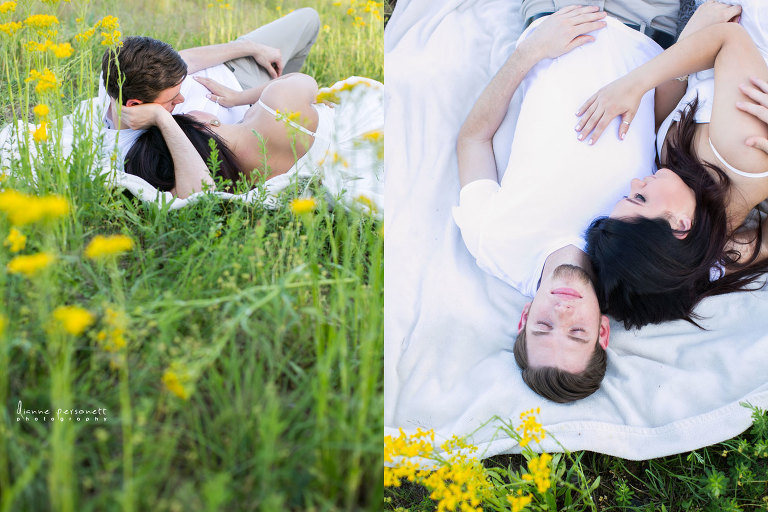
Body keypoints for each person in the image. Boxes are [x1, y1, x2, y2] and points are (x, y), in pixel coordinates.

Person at [453, 6, 664, 402]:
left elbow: (472, 140)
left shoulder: (493, 244)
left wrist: (529, 52)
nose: (561, 315)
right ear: (602, 330)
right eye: (577, 333)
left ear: (523, 319)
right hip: (646, 29)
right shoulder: (636, 264)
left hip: (557, 15)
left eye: (544, 328)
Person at [576, 0, 768, 329]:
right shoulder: (739, 155)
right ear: (680, 226)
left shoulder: (682, 183)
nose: (637, 183)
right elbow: (728, 39)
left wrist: (691, 33)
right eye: (639, 199)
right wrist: (633, 84)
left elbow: (665, 107)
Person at [99, 8, 320, 165]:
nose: (181, 100)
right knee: (303, 89)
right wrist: (242, 97)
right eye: (172, 100)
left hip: (232, 64)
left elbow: (189, 60)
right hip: (254, 105)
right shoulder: (135, 148)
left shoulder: (120, 69)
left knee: (308, 19)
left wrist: (251, 48)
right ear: (135, 105)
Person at [121, 72, 384, 203]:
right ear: (203, 126)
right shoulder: (275, 105)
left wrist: (163, 122)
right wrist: (239, 97)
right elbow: (305, 80)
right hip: (373, 126)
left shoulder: (235, 185)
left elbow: (194, 194)